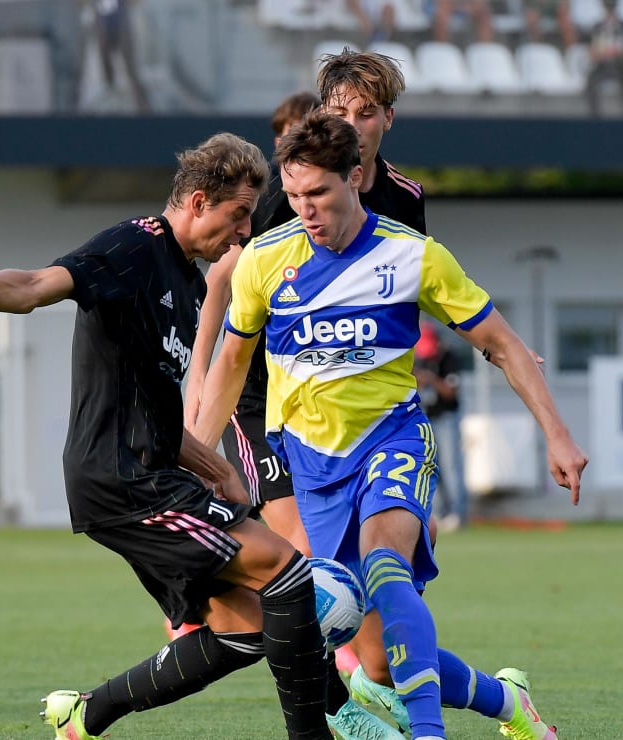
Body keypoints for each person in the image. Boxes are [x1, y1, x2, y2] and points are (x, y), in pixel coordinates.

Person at [0, 132, 333, 740]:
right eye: (237, 215)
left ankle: (86, 716)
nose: (243, 234)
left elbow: (157, 405)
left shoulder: (189, 284)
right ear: (196, 201)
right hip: (123, 480)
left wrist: (214, 466)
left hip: (152, 473)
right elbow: (35, 287)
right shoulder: (133, 247)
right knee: (286, 571)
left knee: (243, 628)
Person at [193, 112, 587, 740]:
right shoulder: (265, 259)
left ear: (354, 178)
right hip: (312, 463)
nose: (305, 211)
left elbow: (504, 344)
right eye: (294, 197)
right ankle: (505, 701)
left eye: (318, 194)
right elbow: (231, 366)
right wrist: (199, 461)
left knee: (385, 566)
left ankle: (428, 733)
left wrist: (557, 434)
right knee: (375, 661)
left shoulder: (413, 256)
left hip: (392, 438)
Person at [184, 50, 425, 736]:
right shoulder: (275, 204)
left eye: (366, 113)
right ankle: (340, 716)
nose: (353, 123)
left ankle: (451, 697)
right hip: (269, 402)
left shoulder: (405, 199)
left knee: (374, 632)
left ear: (386, 120)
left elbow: (408, 304)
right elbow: (223, 293)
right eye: (339, 112)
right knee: (302, 575)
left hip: (362, 416)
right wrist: (198, 395)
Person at [413, 320, 468, 531]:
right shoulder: (418, 359)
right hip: (427, 417)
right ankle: (438, 512)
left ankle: (458, 513)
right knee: (433, 466)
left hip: (447, 416)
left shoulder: (448, 358)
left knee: (453, 465)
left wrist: (432, 379)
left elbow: (451, 391)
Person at [584, 0, 623, 118]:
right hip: (602, 66)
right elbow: (591, 54)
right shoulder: (597, 28)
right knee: (590, 84)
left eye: (612, 7)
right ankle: (594, 118)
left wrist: (617, 52)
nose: (610, 11)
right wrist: (607, 53)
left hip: (621, 66)